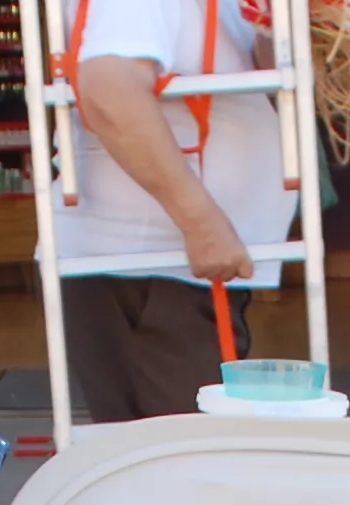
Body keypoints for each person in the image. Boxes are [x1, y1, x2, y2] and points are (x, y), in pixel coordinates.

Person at [54, 0, 300, 422]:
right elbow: (108, 90)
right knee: (176, 464)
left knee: (179, 462)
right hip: (154, 267)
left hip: (181, 269)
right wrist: (200, 221)